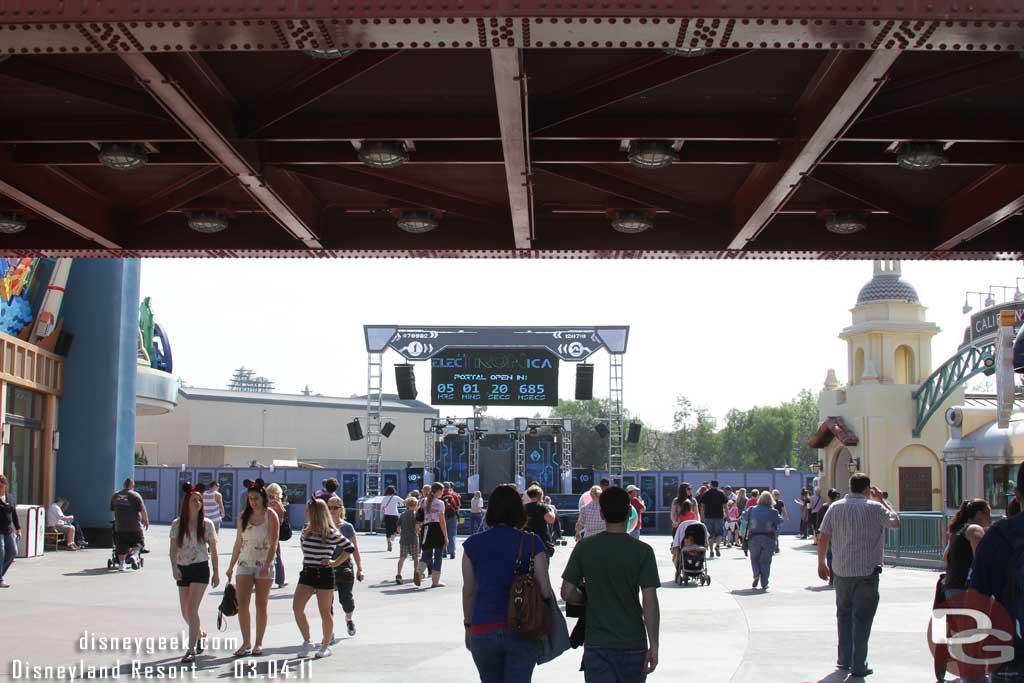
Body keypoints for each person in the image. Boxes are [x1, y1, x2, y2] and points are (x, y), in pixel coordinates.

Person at [562, 486, 660, 682]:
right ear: (629, 513)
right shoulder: (643, 551)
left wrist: (584, 600)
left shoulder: (585, 548)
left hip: (597, 641)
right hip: (633, 640)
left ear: (601, 513)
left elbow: (566, 592)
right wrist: (654, 646)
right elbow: (650, 602)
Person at [462, 484, 553, 682]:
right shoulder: (532, 542)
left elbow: (468, 591)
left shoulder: (472, 545)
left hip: (483, 628)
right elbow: (545, 589)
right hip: (523, 627)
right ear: (519, 511)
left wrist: (468, 626)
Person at [816, 473, 900, 678]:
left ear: (850, 486)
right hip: (867, 572)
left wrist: (821, 563)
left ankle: (844, 659)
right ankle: (859, 664)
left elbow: (823, 535)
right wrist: (883, 500)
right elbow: (895, 523)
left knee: (843, 615)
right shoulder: (875, 508)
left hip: (841, 571)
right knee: (862, 619)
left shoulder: (835, 507)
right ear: (867, 489)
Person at [293, 498, 353, 660]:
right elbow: (304, 547)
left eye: (309, 509)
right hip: (307, 572)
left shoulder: (330, 532)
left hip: (323, 574)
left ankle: (326, 645)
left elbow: (349, 547)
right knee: (297, 608)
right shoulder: (306, 529)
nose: (306, 512)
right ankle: (307, 641)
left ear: (316, 512)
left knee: (325, 612)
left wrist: (335, 563)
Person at [226, 478, 280, 657]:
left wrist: (267, 565)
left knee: (261, 605)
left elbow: (274, 543)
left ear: (263, 498)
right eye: (250, 498)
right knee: (243, 604)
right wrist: (231, 566)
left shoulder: (270, 515)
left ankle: (258, 643)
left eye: (256, 498)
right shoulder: (243, 516)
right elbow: (238, 542)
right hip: (244, 563)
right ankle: (246, 642)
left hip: (264, 565)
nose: (253, 502)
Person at [170, 485, 219, 663]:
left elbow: (213, 550)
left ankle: (190, 650)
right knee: (185, 612)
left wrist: (216, 572)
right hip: (183, 568)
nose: (198, 502)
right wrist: (174, 567)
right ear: (186, 503)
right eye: (194, 500)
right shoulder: (177, 524)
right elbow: (173, 548)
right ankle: (199, 634)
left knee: (192, 609)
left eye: (200, 500)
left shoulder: (207, 524)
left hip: (200, 568)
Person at [328, 498, 364, 637]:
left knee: (346, 600)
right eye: (329, 507)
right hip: (328, 566)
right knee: (327, 602)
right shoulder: (324, 526)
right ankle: (329, 630)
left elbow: (355, 549)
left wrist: (360, 568)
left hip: (344, 566)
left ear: (341, 509)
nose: (332, 511)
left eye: (335, 508)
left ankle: (349, 619)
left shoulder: (347, 527)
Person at [942, 498, 991, 599]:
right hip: (967, 589)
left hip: (952, 587)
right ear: (979, 513)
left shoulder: (958, 530)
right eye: (988, 513)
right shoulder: (975, 530)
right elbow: (981, 562)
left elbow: (945, 557)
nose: (990, 518)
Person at [110, 478, 150, 572]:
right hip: (134, 526)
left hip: (120, 527)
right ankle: (134, 555)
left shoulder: (115, 496)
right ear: (132, 485)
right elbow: (142, 510)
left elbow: (113, 509)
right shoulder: (135, 495)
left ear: (124, 485)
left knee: (121, 545)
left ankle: (121, 565)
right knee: (139, 543)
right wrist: (146, 520)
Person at [747, 491, 783, 590]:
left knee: (754, 558)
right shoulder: (773, 511)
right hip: (768, 538)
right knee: (766, 561)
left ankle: (756, 574)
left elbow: (744, 516)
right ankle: (764, 582)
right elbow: (780, 521)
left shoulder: (752, 509)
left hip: (753, 537)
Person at [420, 482, 450, 588]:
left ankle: (418, 573)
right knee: (438, 555)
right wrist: (446, 537)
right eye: (442, 491)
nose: (442, 493)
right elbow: (442, 521)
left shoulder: (423, 501)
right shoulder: (440, 503)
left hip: (426, 529)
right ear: (438, 491)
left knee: (426, 553)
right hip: (437, 529)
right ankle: (435, 581)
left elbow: (419, 517)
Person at [0, 474, 20, 587]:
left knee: (13, 552)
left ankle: (0, 574)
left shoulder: (10, 497)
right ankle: (0, 579)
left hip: (8, 530)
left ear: (6, 485)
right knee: (1, 550)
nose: (0, 486)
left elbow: (14, 514)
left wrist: (18, 529)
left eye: (2, 483)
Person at [524, 485, 556, 557]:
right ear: (540, 495)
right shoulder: (542, 507)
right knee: (543, 565)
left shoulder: (524, 507)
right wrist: (552, 511)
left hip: (526, 540)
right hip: (541, 540)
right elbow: (551, 520)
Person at [396, 496, 420, 586]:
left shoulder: (402, 514)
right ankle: (416, 573)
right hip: (413, 538)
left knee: (402, 557)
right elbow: (417, 527)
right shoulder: (416, 514)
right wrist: (418, 532)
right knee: (415, 557)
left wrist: (402, 533)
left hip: (403, 538)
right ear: (416, 505)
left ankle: (398, 574)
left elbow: (398, 528)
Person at [699, 480, 727, 557]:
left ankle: (711, 551)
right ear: (717, 485)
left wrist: (702, 516)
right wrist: (728, 516)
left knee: (709, 534)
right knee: (720, 533)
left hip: (708, 516)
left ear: (711, 485)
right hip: (719, 516)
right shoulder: (721, 493)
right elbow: (725, 506)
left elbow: (702, 506)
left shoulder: (706, 494)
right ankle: (717, 545)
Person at [442, 482, 461, 560]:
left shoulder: (440, 495)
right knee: (452, 534)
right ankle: (452, 552)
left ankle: (444, 552)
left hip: (442, 516)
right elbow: (458, 506)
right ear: (450, 487)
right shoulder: (454, 495)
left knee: (443, 534)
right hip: (453, 516)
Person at [380, 485, 402, 552]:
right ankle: (392, 538)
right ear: (393, 491)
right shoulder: (396, 497)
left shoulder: (384, 498)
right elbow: (404, 502)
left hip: (387, 515)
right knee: (395, 528)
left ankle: (389, 543)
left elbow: (382, 508)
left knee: (388, 530)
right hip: (395, 515)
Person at [771, 489, 789, 553]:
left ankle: (776, 547)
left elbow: (784, 511)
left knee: (776, 534)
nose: (776, 496)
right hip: (772, 520)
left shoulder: (780, 502)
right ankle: (776, 548)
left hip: (777, 520)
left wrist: (786, 517)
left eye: (777, 494)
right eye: (775, 494)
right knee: (774, 534)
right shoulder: (770, 502)